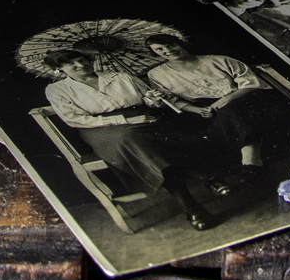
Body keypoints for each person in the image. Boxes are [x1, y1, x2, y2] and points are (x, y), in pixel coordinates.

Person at [42, 49, 216, 230]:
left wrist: (154, 100)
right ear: (59, 69)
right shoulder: (56, 89)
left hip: (144, 119)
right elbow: (74, 119)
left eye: (82, 59)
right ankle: (194, 202)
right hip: (101, 129)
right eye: (71, 63)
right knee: (131, 139)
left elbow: (148, 100)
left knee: (150, 140)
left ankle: (201, 189)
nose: (81, 65)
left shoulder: (121, 76)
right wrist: (124, 120)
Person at [144, 35, 273, 181]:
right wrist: (197, 110)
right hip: (202, 110)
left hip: (240, 99)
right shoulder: (157, 74)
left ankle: (251, 162)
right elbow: (173, 101)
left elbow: (251, 83)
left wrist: (225, 100)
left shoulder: (218, 60)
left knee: (232, 111)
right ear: (155, 53)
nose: (167, 50)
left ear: (180, 43)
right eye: (159, 49)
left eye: (170, 45)